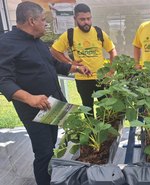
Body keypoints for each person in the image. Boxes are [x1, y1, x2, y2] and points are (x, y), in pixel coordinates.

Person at [0, 2, 91, 185]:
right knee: (43, 153)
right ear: (32, 21)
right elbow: (4, 80)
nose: (46, 24)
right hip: (33, 110)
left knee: (51, 146)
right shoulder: (6, 44)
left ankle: (51, 179)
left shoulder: (37, 42)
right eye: (43, 20)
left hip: (52, 104)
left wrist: (75, 68)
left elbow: (53, 64)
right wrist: (30, 98)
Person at [51, 3, 117, 116]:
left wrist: (111, 70)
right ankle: (92, 132)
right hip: (82, 78)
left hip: (101, 78)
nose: (86, 22)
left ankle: (105, 133)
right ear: (75, 18)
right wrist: (70, 63)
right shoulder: (70, 34)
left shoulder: (99, 32)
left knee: (107, 109)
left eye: (88, 18)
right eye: (82, 19)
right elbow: (54, 50)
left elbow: (112, 50)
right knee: (87, 109)